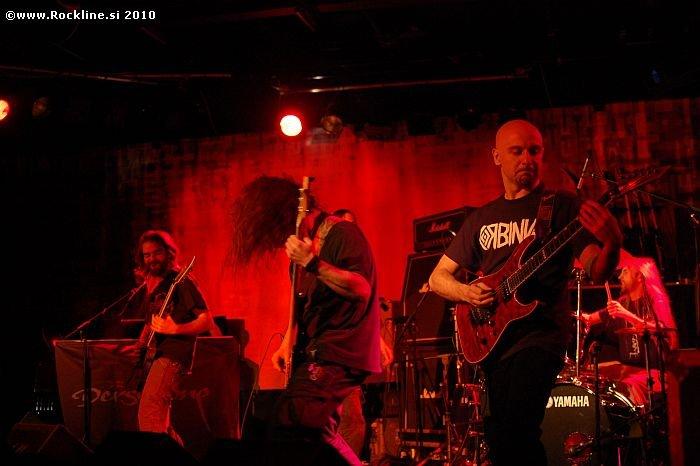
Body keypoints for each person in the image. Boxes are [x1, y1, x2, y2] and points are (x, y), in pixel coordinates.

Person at [428, 119, 623, 465]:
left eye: (534, 151)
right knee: (499, 436)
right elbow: (437, 278)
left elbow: (597, 268)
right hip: (494, 339)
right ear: (497, 157)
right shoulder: (481, 218)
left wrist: (613, 242)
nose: (527, 159)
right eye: (516, 151)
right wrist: (466, 293)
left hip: (540, 334)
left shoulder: (561, 207)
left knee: (518, 428)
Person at [267, 194, 381, 465]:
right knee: (319, 433)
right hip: (319, 350)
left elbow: (361, 289)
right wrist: (286, 343)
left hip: (340, 349)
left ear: (303, 213)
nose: (284, 237)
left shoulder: (343, 233)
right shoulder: (298, 257)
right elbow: (301, 308)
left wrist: (313, 263)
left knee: (293, 418)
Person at [127, 230, 218, 446]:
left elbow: (206, 320)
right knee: (161, 422)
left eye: (157, 253)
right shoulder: (156, 285)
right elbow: (151, 322)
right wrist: (140, 345)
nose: (152, 259)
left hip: (173, 355)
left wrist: (176, 329)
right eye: (147, 255)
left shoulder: (182, 281)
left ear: (169, 253)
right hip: (158, 355)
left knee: (149, 413)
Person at [331, 209, 394, 458]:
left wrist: (378, 341)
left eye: (353, 228)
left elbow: (363, 308)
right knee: (350, 423)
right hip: (333, 355)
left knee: (350, 422)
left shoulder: (356, 266)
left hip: (346, 357)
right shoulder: (329, 265)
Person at [581, 253, 678, 406]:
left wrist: (627, 315)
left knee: (628, 384)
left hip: (658, 374)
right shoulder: (623, 303)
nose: (620, 277)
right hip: (631, 370)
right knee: (594, 375)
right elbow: (590, 319)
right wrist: (575, 316)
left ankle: (640, 418)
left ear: (639, 276)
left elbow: (667, 331)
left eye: (625, 272)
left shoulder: (655, 301)